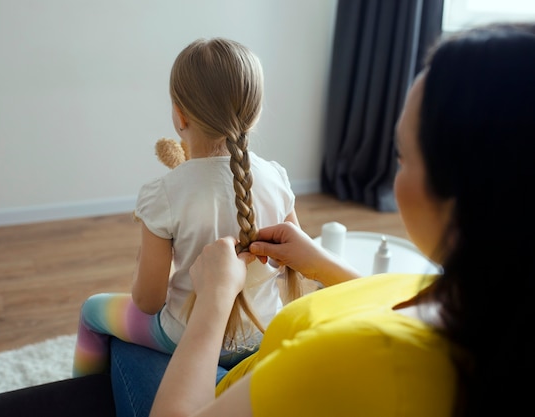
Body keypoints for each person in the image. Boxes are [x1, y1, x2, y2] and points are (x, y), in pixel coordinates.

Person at [141, 22, 535, 416]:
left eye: (401, 156)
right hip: (258, 339)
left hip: (211, 362)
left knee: (110, 336)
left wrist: (214, 299)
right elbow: (392, 300)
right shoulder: (467, 303)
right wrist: (324, 264)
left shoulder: (353, 356)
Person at [72, 37, 302, 377]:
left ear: (180, 116)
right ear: (254, 114)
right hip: (264, 332)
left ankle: (84, 398)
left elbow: (148, 302)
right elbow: (296, 256)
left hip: (183, 336)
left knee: (92, 311)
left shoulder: (163, 194)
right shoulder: (277, 177)